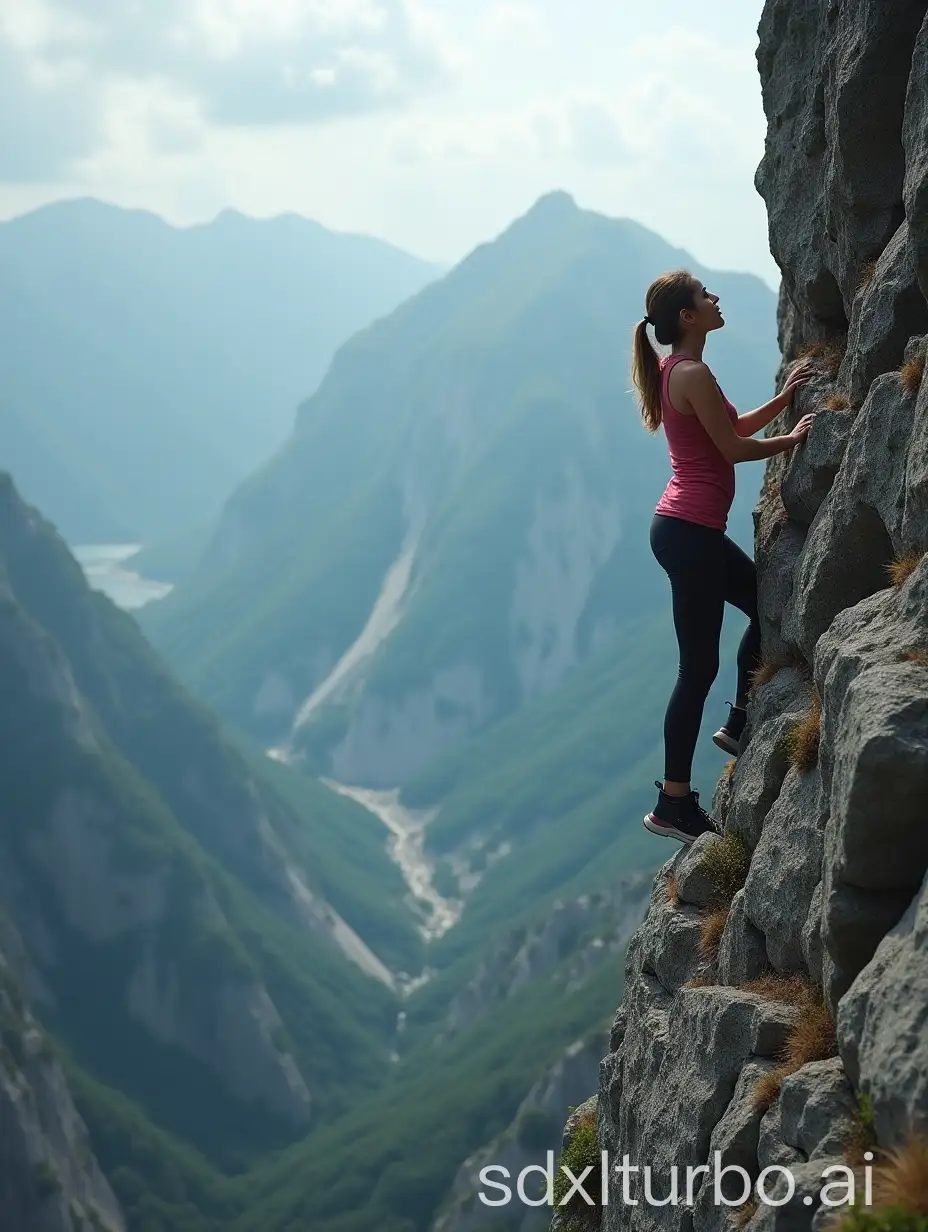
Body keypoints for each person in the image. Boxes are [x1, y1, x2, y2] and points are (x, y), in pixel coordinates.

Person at [631, 269, 814, 846]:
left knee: (765, 602)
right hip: (689, 533)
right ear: (688, 317)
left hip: (684, 529)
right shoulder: (691, 373)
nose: (714, 300)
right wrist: (794, 439)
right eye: (704, 296)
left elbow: (729, 428)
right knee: (696, 668)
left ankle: (737, 721)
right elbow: (734, 450)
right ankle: (675, 802)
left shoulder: (675, 372)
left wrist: (785, 402)